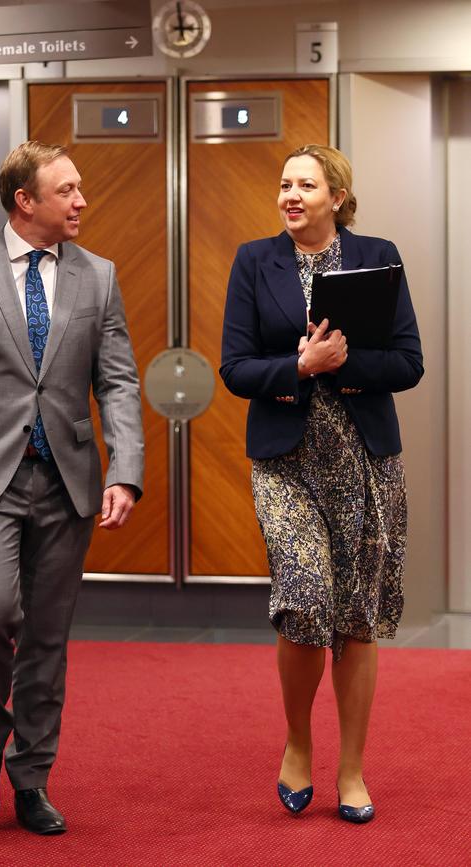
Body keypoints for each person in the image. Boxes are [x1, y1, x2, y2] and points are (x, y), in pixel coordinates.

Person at [0, 141, 144, 835]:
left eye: (81, 189)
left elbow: (119, 379)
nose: (82, 201)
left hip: (65, 481)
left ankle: (32, 774)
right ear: (26, 201)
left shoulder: (97, 276)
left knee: (46, 635)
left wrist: (125, 467)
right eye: (67, 190)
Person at [220, 144, 423, 823]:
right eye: (284, 183)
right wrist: (299, 366)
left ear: (337, 195)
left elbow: (408, 361)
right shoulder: (255, 260)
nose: (291, 194)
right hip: (286, 463)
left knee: (357, 617)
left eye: (306, 184)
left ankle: (355, 769)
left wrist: (341, 362)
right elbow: (236, 366)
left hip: (367, 464)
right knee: (304, 601)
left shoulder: (377, 254)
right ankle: (299, 742)